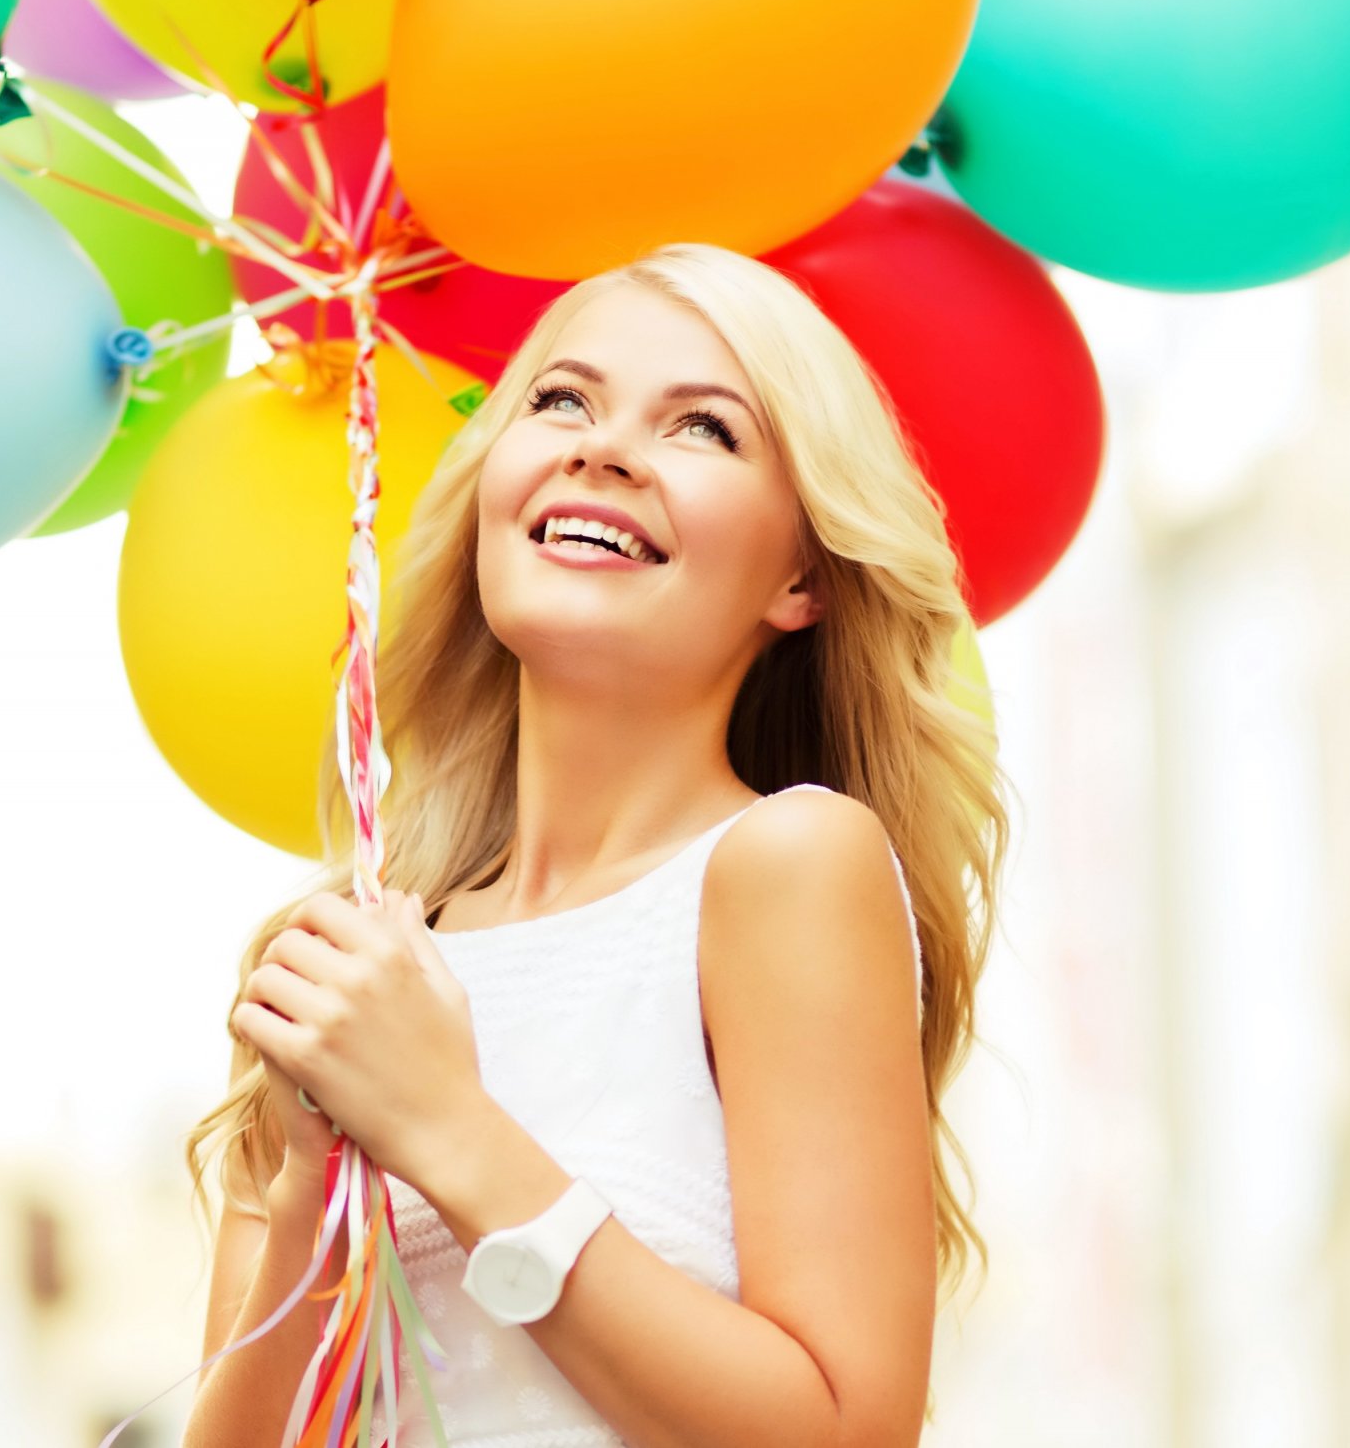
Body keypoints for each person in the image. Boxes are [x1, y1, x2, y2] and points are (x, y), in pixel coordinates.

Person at [181, 243, 1010, 1447]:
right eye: (561, 399)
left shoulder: (786, 866)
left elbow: (844, 1427)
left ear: (802, 577)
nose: (603, 446)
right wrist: (314, 1195)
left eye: (706, 429)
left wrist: (448, 1129)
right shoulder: (350, 959)